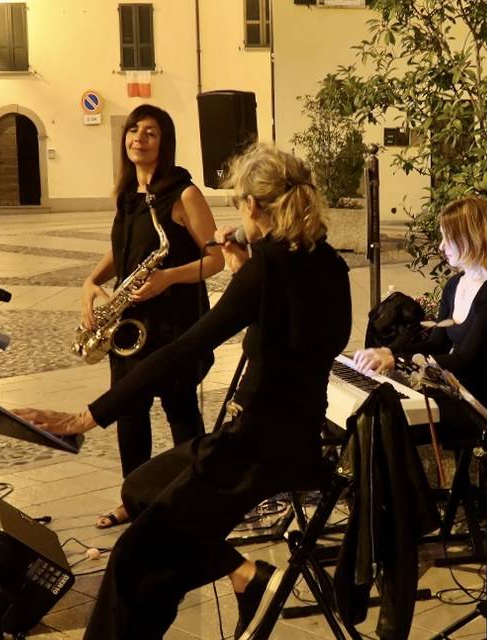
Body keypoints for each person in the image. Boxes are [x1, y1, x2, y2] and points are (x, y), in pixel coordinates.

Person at [18, 144, 353, 639]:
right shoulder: (329, 266)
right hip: (295, 439)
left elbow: (182, 350)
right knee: (140, 489)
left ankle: (214, 590)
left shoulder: (267, 270)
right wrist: (246, 275)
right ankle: (249, 577)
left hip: (254, 449)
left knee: (135, 559)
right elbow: (303, 338)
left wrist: (89, 415)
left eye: (239, 204)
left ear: (255, 208)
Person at [81, 104, 224, 529]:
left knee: (180, 408)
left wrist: (168, 279)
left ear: (165, 143)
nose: (138, 139)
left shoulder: (183, 194)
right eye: (133, 131)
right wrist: (90, 282)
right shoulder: (128, 196)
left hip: (174, 323)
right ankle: (135, 500)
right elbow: (121, 248)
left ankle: (196, 498)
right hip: (131, 324)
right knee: (130, 411)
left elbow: (214, 260)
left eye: (150, 133)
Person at [353, 196, 487, 431]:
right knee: (376, 412)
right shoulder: (453, 285)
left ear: (469, 237)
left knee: (393, 423)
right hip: (454, 393)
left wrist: (398, 361)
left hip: (483, 404)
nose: (441, 246)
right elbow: (436, 345)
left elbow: (467, 360)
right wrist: (390, 351)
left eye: (447, 238)